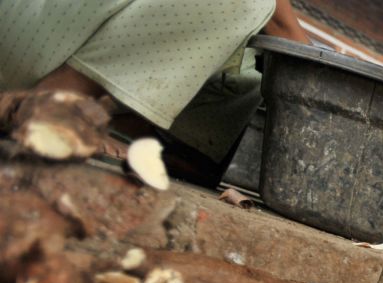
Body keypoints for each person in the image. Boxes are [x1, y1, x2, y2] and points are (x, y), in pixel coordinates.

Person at [0, 0, 309, 183]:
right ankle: (56, 99)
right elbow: (284, 29)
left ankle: (141, 135)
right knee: (248, 6)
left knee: (249, 71)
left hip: (60, 36)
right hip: (31, 23)